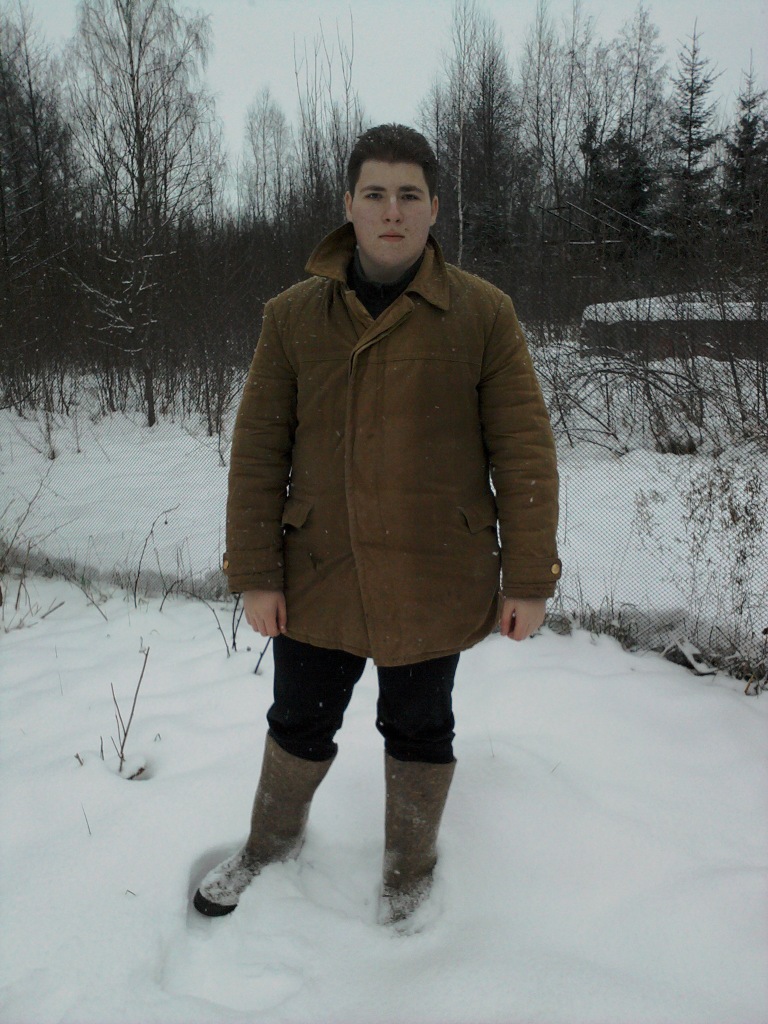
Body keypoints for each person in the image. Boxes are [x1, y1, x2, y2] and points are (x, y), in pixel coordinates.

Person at [194, 124, 561, 926]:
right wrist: (255, 572)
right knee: (298, 719)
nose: (391, 211)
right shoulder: (293, 316)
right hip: (317, 571)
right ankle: (269, 845)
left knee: (420, 726)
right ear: (349, 205)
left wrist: (529, 579)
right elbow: (258, 452)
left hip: (436, 572)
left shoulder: (482, 313)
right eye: (375, 194)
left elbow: (524, 451)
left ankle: (408, 871)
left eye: (408, 195)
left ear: (434, 208)